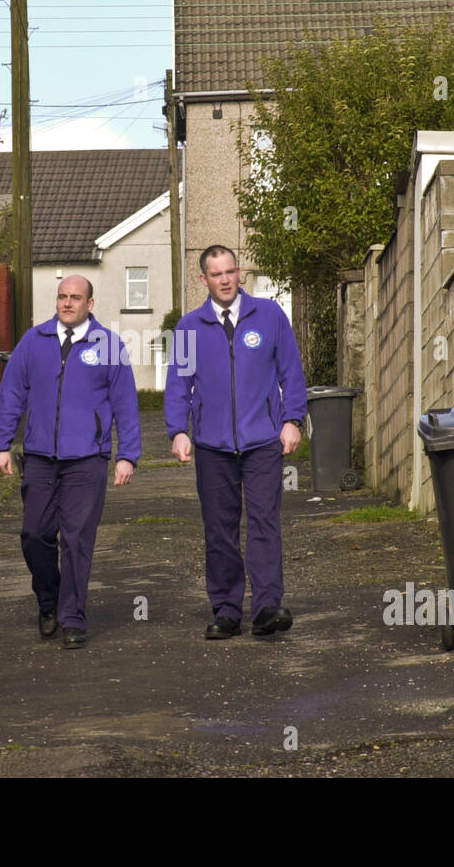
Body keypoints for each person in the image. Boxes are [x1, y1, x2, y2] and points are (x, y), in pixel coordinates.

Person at [0, 275, 142, 649]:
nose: (67, 303)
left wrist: (127, 456)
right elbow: (11, 394)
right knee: (34, 535)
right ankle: (49, 601)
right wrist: (1, 444)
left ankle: (73, 617)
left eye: (76, 297)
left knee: (77, 540)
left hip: (87, 460)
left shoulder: (109, 345)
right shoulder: (33, 341)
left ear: (91, 303)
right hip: (41, 458)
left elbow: (126, 404)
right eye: (62, 297)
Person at [164, 245, 307, 640]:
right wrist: (178, 430)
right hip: (212, 445)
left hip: (263, 440)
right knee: (219, 529)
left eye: (230, 271)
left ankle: (266, 608)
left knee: (264, 522)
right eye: (216, 274)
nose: (225, 280)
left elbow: (291, 372)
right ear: (203, 279)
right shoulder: (189, 328)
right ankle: (226, 611)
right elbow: (179, 384)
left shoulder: (270, 315)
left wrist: (292, 420)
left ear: (239, 272)